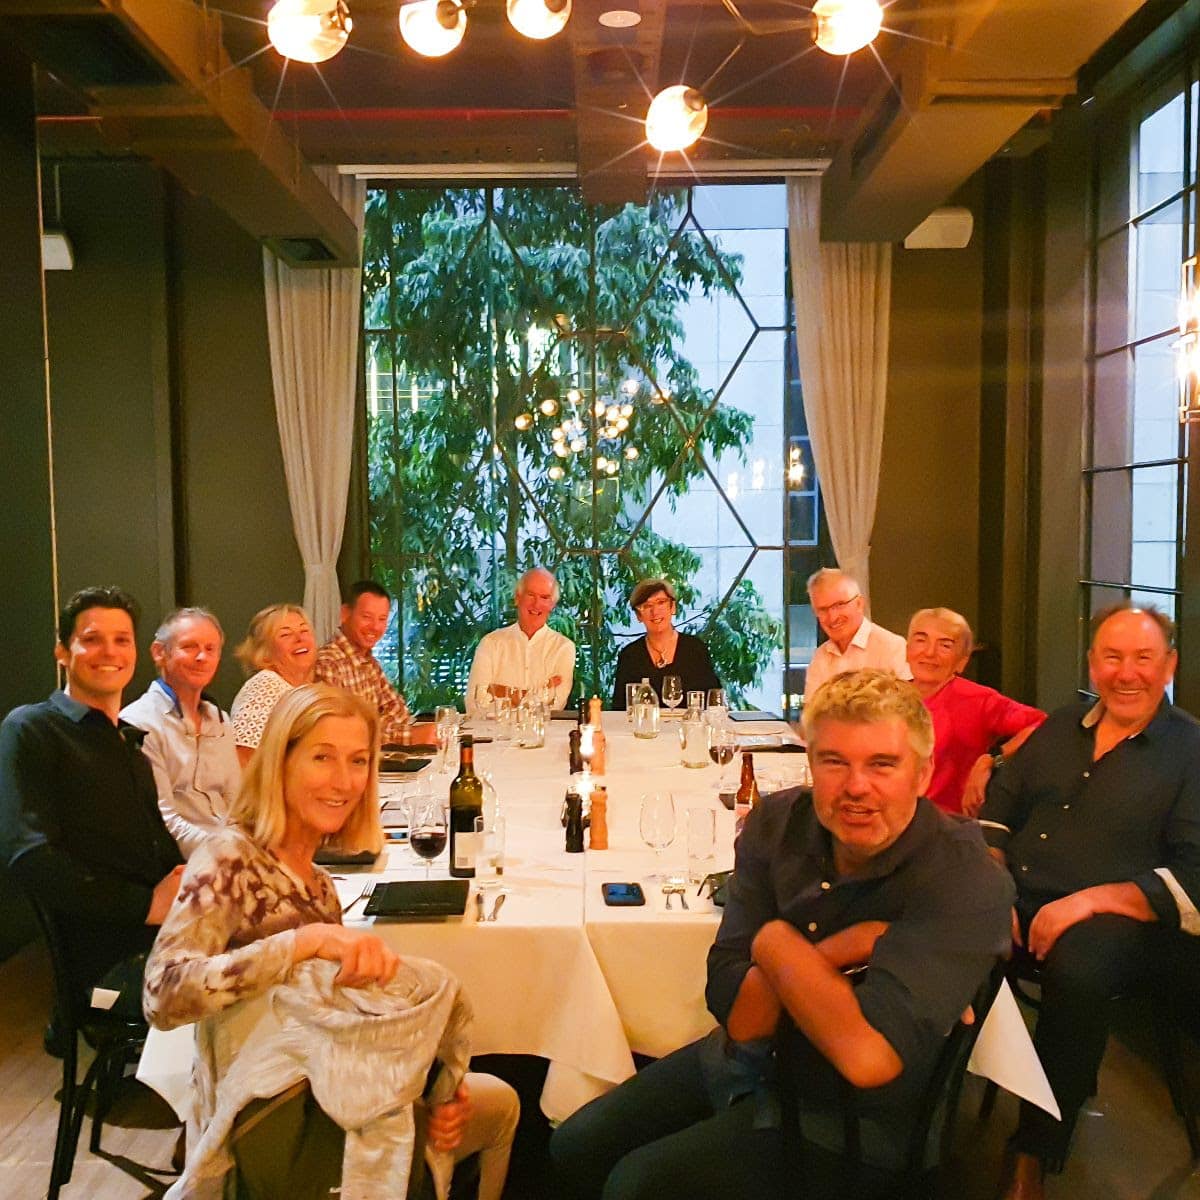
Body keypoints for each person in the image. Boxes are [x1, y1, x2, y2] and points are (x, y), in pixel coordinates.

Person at [551, 668, 1013, 1200]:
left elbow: (867, 1058)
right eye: (834, 761)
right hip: (744, 1061)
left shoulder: (963, 877)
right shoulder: (777, 822)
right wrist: (844, 944)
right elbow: (739, 1018)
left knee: (635, 1186)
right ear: (809, 760)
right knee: (576, 1146)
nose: (856, 786)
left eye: (882, 764)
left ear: (924, 773)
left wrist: (771, 948)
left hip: (856, 1122)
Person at [143, 683, 519, 1200]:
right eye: (323, 757)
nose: (344, 781)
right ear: (282, 761)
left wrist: (439, 1087)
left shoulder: (319, 885)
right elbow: (161, 995)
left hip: (327, 1096)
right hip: (269, 1129)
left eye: (359, 761)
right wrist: (303, 942)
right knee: (499, 1111)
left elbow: (339, 1020)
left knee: (484, 1100)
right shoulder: (230, 859)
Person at [979, 604, 1200, 1200]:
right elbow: (1001, 804)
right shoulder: (1061, 724)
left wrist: (1087, 902)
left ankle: (1035, 1144)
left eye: (1143, 658)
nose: (1127, 673)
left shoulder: (1190, 750)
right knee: (944, 922)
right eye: (1112, 656)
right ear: (1092, 664)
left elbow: (1195, 873)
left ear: (1170, 665)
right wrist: (993, 883)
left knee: (1077, 971)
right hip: (1020, 894)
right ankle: (920, 1094)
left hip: (1122, 921)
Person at [0, 586, 184, 1025]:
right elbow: (30, 857)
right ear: (63, 651)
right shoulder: (32, 728)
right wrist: (144, 905)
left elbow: (158, 852)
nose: (110, 651)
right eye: (92, 639)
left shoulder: (127, 739)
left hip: (168, 940)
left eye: (122, 640)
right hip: (107, 973)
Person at [121, 606, 242, 857]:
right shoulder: (139, 723)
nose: (201, 657)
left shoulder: (221, 720)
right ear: (159, 653)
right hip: (181, 864)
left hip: (231, 857)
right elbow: (163, 821)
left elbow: (236, 805)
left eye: (210, 649)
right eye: (189, 647)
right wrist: (231, 854)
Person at [905, 607, 1044, 815]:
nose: (929, 652)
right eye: (920, 639)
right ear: (907, 649)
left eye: (945, 645)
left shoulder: (976, 700)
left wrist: (992, 759)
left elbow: (1043, 725)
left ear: (962, 661)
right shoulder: (889, 695)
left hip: (945, 825)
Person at [314, 580, 413, 741]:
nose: (375, 627)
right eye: (367, 617)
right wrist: (406, 736)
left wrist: (373, 729)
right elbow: (339, 732)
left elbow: (399, 709)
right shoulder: (328, 664)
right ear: (345, 614)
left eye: (382, 619)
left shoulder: (369, 662)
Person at [465, 567, 575, 712]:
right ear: (517, 598)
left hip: (543, 733)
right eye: (530, 595)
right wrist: (538, 694)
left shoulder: (563, 647)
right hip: (496, 733)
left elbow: (555, 706)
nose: (536, 604)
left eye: (544, 597)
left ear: (552, 604)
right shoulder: (491, 643)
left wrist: (499, 691)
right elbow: (474, 703)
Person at [802, 568, 910, 703]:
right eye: (822, 609)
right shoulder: (820, 657)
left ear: (859, 603)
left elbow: (905, 709)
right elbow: (812, 716)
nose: (832, 617)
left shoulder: (892, 647)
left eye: (839, 605)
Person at [611, 579, 720, 709]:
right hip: (645, 727)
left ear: (672, 607)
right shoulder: (630, 655)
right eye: (646, 606)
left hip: (688, 727)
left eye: (661, 602)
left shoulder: (695, 649)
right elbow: (620, 707)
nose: (655, 611)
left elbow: (714, 701)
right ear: (639, 616)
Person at [230, 603, 317, 766]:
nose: (300, 639)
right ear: (265, 651)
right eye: (285, 635)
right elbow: (243, 759)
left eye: (304, 631)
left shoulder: (302, 688)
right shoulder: (265, 687)